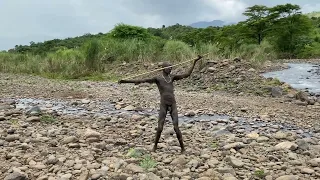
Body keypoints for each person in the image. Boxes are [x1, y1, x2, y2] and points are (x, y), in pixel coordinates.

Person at [118, 55, 203, 153]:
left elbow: (187, 74)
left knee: (176, 127)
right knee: (160, 128)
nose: (171, 68)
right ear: (163, 68)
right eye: (169, 67)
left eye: (171, 67)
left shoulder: (172, 77)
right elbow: (141, 80)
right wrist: (125, 81)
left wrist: (195, 62)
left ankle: (183, 149)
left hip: (173, 104)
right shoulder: (158, 79)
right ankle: (154, 147)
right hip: (164, 105)